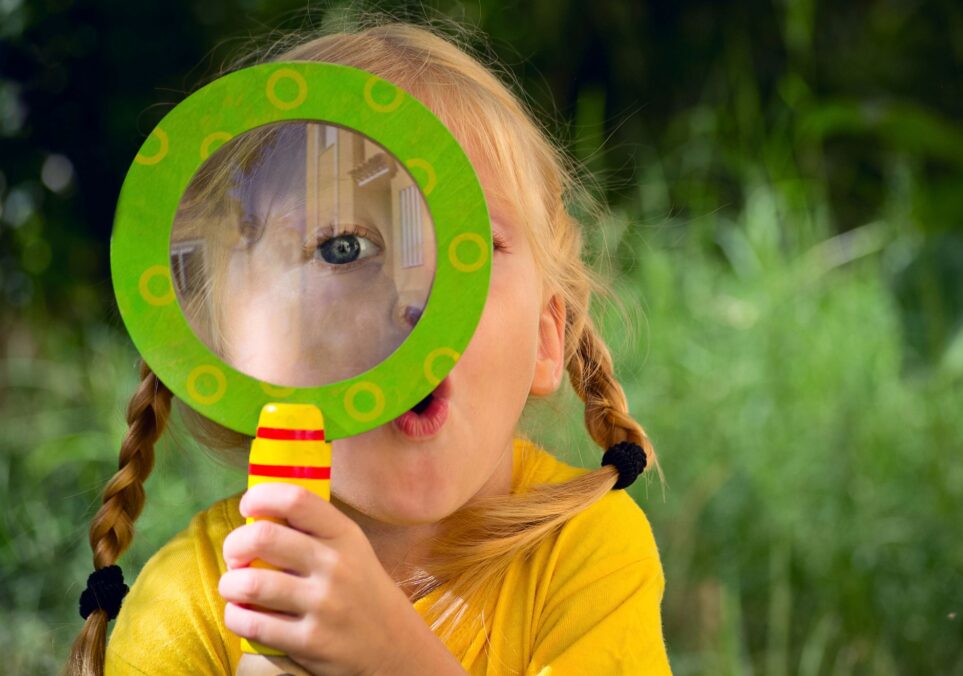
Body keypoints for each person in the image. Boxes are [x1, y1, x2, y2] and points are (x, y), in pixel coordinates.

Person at [66, 17, 671, 676]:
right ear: (235, 349)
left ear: (546, 339)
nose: (414, 300)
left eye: (471, 248)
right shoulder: (191, 598)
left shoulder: (587, 553)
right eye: (344, 248)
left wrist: (395, 660)